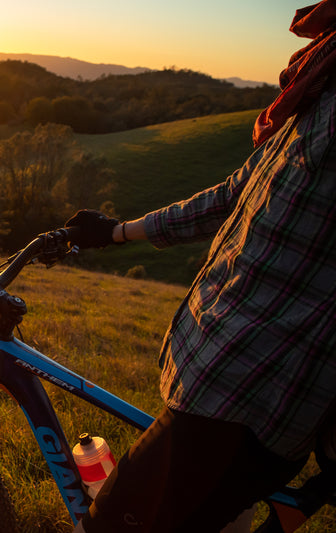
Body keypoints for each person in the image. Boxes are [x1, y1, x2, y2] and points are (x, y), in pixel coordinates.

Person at [66, 2, 336, 531]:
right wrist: (117, 233)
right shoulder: (317, 83)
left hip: (251, 395)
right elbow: (234, 194)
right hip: (213, 376)